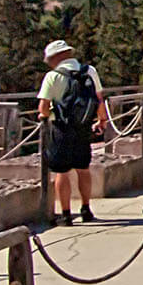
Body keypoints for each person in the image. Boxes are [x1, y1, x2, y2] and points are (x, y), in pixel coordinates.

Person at [36, 40, 108, 225]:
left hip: (61, 128)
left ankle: (66, 213)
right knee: (83, 169)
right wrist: (102, 120)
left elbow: (43, 106)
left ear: (55, 57)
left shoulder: (52, 76)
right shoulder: (89, 71)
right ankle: (86, 208)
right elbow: (99, 99)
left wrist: (44, 115)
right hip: (83, 127)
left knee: (62, 172)